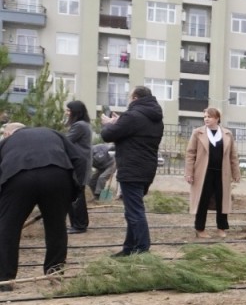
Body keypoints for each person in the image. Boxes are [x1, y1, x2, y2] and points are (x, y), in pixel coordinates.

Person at [0, 123, 87, 290]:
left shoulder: (7, 142)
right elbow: (80, 159)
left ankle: (4, 279)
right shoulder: (53, 133)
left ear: (10, 132)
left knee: (7, 229)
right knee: (56, 228)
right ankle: (54, 273)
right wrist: (77, 189)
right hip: (57, 177)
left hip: (18, 178)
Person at [100, 86, 164, 257]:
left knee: (134, 211)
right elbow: (134, 132)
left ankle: (142, 249)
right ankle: (129, 248)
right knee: (132, 210)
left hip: (131, 168)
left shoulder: (132, 116)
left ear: (135, 98)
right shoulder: (156, 118)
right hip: (146, 169)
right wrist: (120, 122)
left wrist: (109, 124)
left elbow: (108, 135)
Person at [185, 107, 240, 238]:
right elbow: (190, 153)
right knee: (202, 200)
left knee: (222, 200)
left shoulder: (227, 134)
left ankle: (221, 228)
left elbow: (233, 155)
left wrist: (236, 172)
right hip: (203, 174)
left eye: (209, 117)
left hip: (222, 173)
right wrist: (189, 173)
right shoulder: (198, 133)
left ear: (217, 118)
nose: (206, 119)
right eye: (204, 117)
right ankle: (200, 228)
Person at [64, 101, 93, 234]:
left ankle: (79, 225)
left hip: (79, 162)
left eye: (69, 111)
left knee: (77, 194)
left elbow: (65, 141)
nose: (67, 113)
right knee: (75, 193)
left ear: (76, 112)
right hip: (80, 161)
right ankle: (78, 224)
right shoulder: (83, 124)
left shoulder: (79, 126)